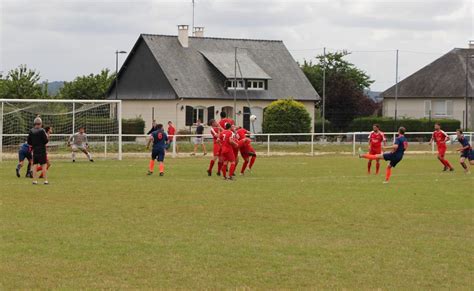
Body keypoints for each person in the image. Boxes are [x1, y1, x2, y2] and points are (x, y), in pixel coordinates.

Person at [27, 117, 49, 185]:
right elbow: (46, 141)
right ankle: (45, 181)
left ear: (34, 123)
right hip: (42, 150)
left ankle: (34, 181)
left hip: (35, 150)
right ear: (40, 123)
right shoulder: (42, 130)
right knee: (44, 165)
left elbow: (29, 142)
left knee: (34, 165)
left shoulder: (31, 131)